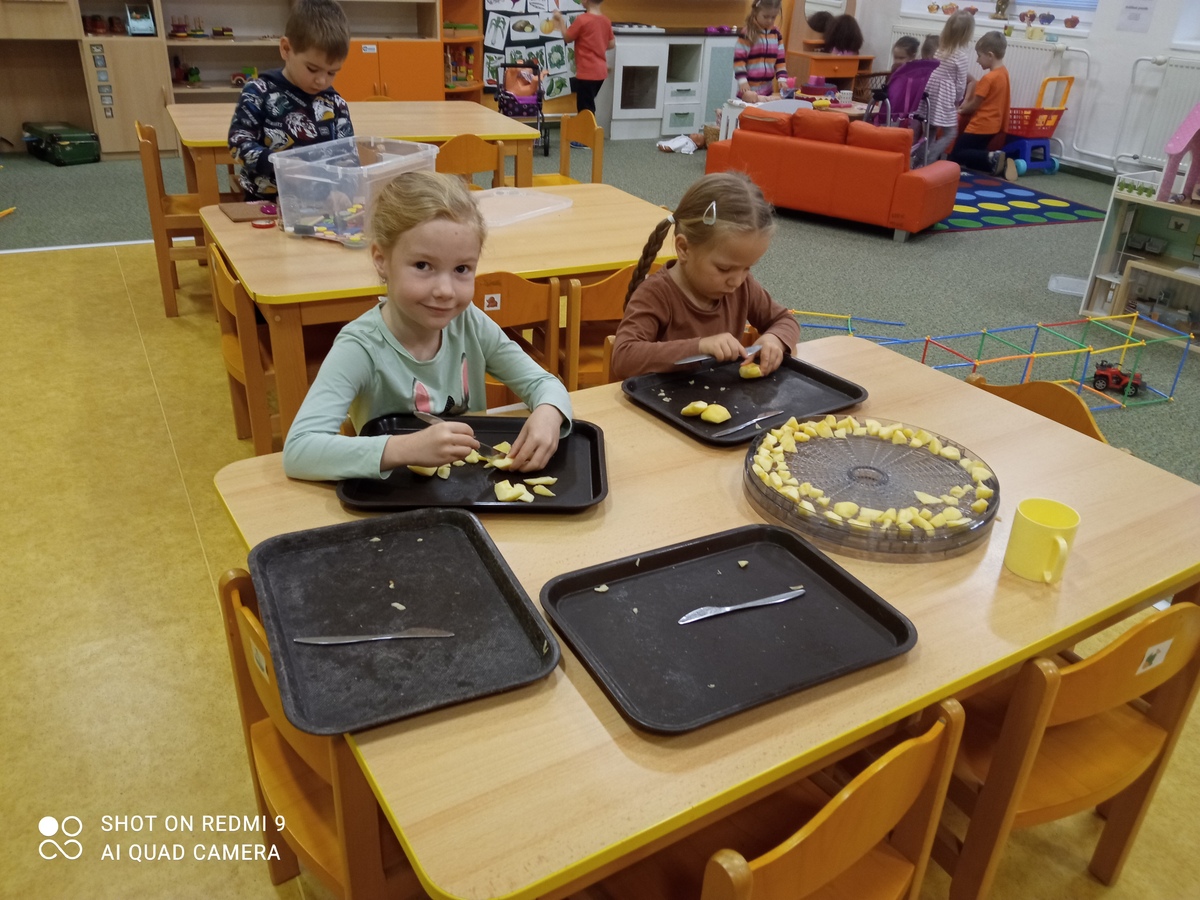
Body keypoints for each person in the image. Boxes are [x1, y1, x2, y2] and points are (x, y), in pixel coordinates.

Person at [282, 171, 573, 482]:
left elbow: (544, 383)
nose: (445, 290)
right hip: (395, 499)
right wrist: (406, 448)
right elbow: (299, 451)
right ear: (381, 260)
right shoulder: (360, 347)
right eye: (423, 266)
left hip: (468, 490)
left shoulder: (469, 322)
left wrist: (549, 413)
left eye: (462, 269)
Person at [610, 173, 801, 380]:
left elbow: (785, 320)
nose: (736, 281)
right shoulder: (655, 294)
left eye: (747, 268)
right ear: (684, 248)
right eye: (724, 269)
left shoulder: (743, 287)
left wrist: (774, 339)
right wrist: (699, 346)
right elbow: (624, 357)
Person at [228, 0, 354, 202]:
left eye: (332, 72)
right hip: (265, 203)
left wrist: (343, 191)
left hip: (321, 204)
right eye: (312, 69)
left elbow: (348, 158)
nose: (322, 80)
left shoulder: (335, 104)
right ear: (286, 49)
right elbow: (239, 142)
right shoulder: (259, 92)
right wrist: (277, 163)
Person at [949, 30, 1015, 179]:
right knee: (972, 160)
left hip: (981, 124)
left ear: (990, 55)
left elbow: (974, 105)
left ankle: (993, 156)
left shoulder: (988, 79)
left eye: (979, 56)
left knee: (956, 154)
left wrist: (960, 110)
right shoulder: (1004, 73)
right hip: (994, 125)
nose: (978, 60)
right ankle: (1001, 164)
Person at [924, 10, 976, 164]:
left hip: (930, 93)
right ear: (966, 34)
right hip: (945, 97)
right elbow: (960, 84)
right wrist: (958, 101)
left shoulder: (939, 50)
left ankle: (920, 158)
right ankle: (931, 157)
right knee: (951, 132)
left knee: (930, 129)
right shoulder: (961, 56)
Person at [551, 0, 615, 124]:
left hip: (587, 73)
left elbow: (568, 38)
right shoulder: (606, 21)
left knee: (585, 109)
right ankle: (589, 131)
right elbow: (611, 44)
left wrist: (560, 20)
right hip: (600, 73)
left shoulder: (582, 20)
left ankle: (588, 133)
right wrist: (598, 45)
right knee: (588, 104)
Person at [734, 0, 788, 104]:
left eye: (773, 17)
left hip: (767, 91)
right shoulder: (748, 33)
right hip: (748, 91)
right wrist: (742, 81)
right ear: (756, 12)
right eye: (765, 16)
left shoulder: (776, 34)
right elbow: (739, 60)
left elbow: (780, 60)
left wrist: (782, 78)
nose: (769, 21)